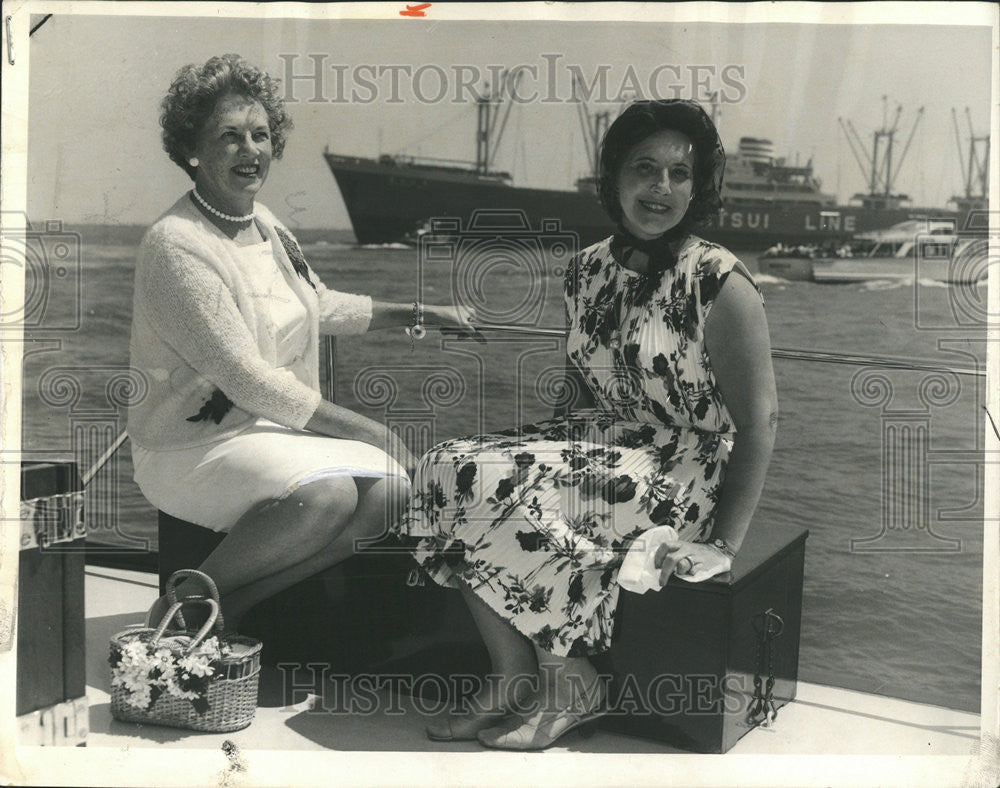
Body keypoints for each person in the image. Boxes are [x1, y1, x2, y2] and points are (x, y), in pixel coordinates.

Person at [397, 99, 778, 750]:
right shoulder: (587, 268)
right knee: (446, 466)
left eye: (679, 174)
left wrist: (723, 546)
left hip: (681, 470)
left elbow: (761, 420)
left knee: (526, 489)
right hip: (603, 445)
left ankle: (569, 682)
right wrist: (543, 452)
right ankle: (513, 671)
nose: (661, 189)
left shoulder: (719, 281)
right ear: (614, 178)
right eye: (644, 168)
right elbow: (579, 386)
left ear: (698, 187)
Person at [128, 54, 473, 628]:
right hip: (188, 445)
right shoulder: (177, 244)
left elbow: (318, 304)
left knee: (389, 492)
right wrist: (377, 431)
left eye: (260, 135)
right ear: (193, 149)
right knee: (331, 494)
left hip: (267, 428)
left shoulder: (268, 226)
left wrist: (420, 311)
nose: (250, 150)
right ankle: (178, 603)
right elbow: (244, 377)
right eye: (230, 137)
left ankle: (231, 604)